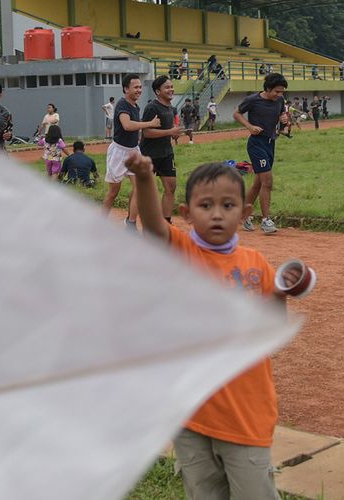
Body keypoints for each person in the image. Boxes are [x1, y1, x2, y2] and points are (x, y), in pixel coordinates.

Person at [128, 154, 307, 500]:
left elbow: (271, 327)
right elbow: (152, 225)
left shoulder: (256, 263)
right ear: (185, 213)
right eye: (205, 205)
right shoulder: (180, 251)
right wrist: (145, 178)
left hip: (245, 413)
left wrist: (281, 294)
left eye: (228, 205)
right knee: (204, 493)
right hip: (191, 414)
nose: (216, 214)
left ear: (244, 213)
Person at [101, 73, 160, 231]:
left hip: (133, 151)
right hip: (118, 153)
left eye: (140, 87)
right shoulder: (122, 105)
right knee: (113, 192)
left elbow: (133, 129)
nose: (139, 90)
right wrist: (150, 123)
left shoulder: (135, 106)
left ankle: (131, 223)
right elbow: (127, 125)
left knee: (139, 188)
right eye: (136, 87)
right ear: (126, 89)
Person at [233, 72, 289, 234]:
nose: (279, 95)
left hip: (271, 143)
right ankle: (266, 220)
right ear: (268, 88)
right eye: (276, 91)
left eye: (282, 92)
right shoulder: (252, 100)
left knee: (259, 182)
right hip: (256, 144)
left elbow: (280, 114)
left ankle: (244, 215)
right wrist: (249, 126)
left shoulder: (279, 100)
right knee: (268, 182)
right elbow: (236, 113)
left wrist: (283, 119)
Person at [140, 75, 184, 224]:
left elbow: (168, 129)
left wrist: (175, 134)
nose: (171, 89)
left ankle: (166, 222)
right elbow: (147, 132)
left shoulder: (171, 108)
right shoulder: (152, 107)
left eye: (172, 87)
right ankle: (139, 221)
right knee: (145, 192)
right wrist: (169, 132)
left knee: (171, 187)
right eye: (167, 87)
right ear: (158, 91)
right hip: (149, 155)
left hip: (166, 153)